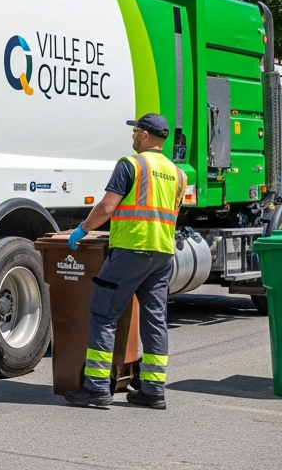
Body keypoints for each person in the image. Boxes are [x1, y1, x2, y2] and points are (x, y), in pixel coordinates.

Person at [63, 113, 187, 410]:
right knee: (155, 320)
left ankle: (95, 387)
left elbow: (107, 206)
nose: (132, 137)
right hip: (163, 253)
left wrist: (83, 229)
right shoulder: (178, 174)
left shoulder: (131, 164)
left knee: (103, 312)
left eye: (136, 132)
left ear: (144, 136)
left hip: (132, 250)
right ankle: (154, 390)